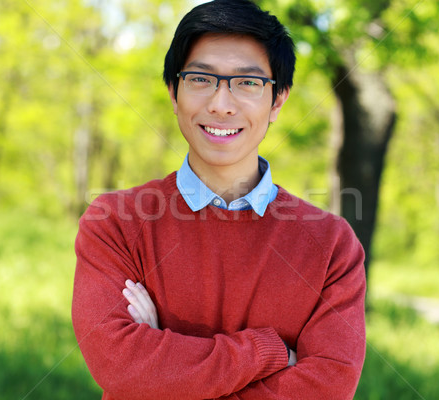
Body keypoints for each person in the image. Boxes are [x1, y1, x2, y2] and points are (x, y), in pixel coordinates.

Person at [71, 0, 366, 399]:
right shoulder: (115, 222)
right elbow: (118, 365)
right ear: (174, 93)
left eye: (247, 83)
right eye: (201, 79)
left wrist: (163, 365)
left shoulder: (332, 245)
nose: (221, 104)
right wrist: (270, 352)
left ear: (277, 100)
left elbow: (329, 386)